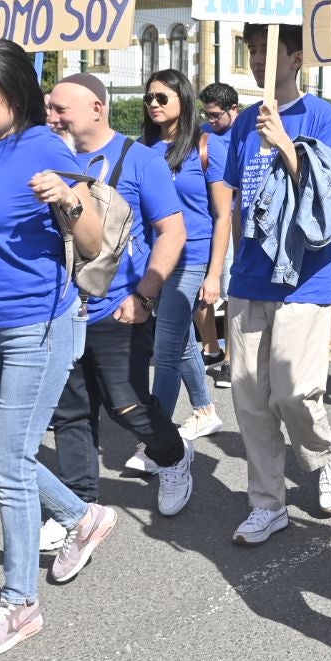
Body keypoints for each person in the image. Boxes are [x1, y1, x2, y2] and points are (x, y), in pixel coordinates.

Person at [0, 39, 116, 659]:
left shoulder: (45, 146)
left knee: (9, 464)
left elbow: (93, 242)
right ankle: (82, 516)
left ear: (14, 90)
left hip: (39, 324)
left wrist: (67, 200)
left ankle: (19, 604)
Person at [214, 22, 331, 545]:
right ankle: (268, 503)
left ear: (296, 59)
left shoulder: (320, 116)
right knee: (250, 402)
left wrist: (286, 146)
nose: (256, 61)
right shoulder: (244, 121)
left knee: (294, 392)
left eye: (266, 52)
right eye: (251, 51)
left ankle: (327, 450)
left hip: (305, 279)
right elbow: (232, 197)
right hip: (249, 278)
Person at [43, 72, 193, 543]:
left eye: (61, 109)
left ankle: (173, 457)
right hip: (62, 308)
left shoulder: (139, 159)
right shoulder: (47, 158)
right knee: (71, 411)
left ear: (97, 108)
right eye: (49, 108)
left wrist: (145, 294)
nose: (52, 117)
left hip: (119, 307)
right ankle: (79, 506)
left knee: (127, 405)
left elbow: (173, 230)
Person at [143, 69, 228, 443]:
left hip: (193, 258)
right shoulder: (145, 151)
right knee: (181, 341)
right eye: (149, 99)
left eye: (162, 97)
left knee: (165, 346)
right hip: (157, 260)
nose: (154, 105)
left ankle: (156, 438)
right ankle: (205, 409)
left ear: (183, 99)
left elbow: (223, 215)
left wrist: (214, 275)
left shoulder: (207, 147)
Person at [196, 82, 241, 378]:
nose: (211, 120)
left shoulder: (248, 133)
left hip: (236, 219)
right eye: (207, 114)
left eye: (216, 115)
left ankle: (232, 359)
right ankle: (211, 346)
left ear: (233, 109)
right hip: (210, 220)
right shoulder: (205, 134)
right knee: (203, 289)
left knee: (232, 291)